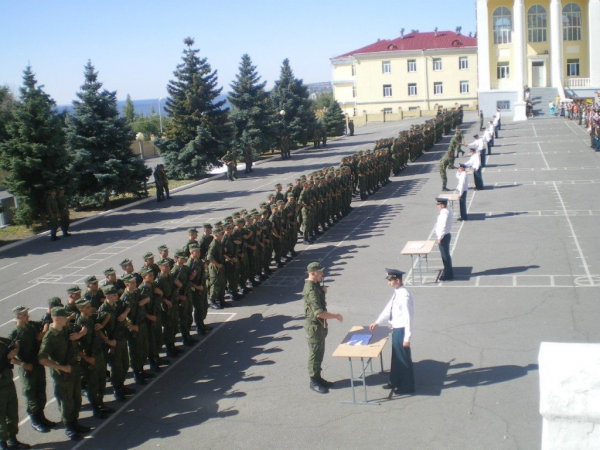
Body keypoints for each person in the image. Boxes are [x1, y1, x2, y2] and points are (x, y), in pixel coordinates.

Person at [38, 306, 90, 441]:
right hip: (63, 375)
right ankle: (69, 426)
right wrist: (61, 367)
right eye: (64, 317)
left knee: (76, 398)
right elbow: (42, 359)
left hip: (73, 370)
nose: (67, 318)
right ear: (56, 318)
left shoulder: (66, 329)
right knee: (67, 402)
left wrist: (81, 334)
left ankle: (75, 423)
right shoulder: (50, 337)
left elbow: (83, 328)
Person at [9, 306, 56, 434]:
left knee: (41, 392)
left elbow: (44, 324)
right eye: (24, 315)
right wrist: (23, 364)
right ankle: (35, 421)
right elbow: (9, 357)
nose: (27, 316)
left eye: (27, 314)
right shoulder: (15, 334)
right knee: (31, 396)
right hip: (28, 368)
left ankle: (42, 418)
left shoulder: (30, 327)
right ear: (18, 317)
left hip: (37, 365)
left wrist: (47, 316)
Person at [369, 269, 414, 396]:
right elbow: (389, 309)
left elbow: (409, 318)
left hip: (401, 330)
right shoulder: (397, 292)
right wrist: (378, 321)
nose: (388, 283)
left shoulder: (404, 295)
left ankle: (408, 386)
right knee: (396, 358)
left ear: (398, 280)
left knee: (403, 359)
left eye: (390, 280)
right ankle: (394, 381)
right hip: (396, 328)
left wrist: (407, 338)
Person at [302, 262, 343, 394]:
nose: (322, 274)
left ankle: (318, 378)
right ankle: (313, 381)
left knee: (319, 352)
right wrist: (335, 316)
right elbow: (318, 313)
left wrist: (322, 292)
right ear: (313, 273)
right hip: (314, 326)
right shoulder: (311, 289)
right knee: (315, 353)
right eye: (320, 272)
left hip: (319, 325)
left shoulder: (315, 286)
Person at [0, 334, 31, 450]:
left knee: (12, 413)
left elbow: (14, 343)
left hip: (8, 384)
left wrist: (14, 351)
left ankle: (12, 439)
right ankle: (2, 444)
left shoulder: (2, 342)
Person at [435, 198, 454, 281]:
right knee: (445, 255)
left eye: (438, 204)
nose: (437, 206)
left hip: (444, 236)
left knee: (445, 256)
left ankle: (448, 274)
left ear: (442, 204)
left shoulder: (444, 213)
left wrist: (439, 238)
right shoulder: (447, 211)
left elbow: (443, 225)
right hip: (446, 235)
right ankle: (448, 273)